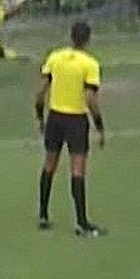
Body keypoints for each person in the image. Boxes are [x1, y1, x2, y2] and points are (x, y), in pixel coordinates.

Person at [36, 21, 106, 238]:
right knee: (77, 169)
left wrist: (40, 117)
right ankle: (81, 223)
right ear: (88, 39)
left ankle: (43, 215)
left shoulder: (55, 57)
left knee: (49, 164)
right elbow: (89, 98)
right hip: (75, 120)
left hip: (55, 117)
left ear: (71, 36)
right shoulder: (90, 64)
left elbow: (41, 93)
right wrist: (100, 126)